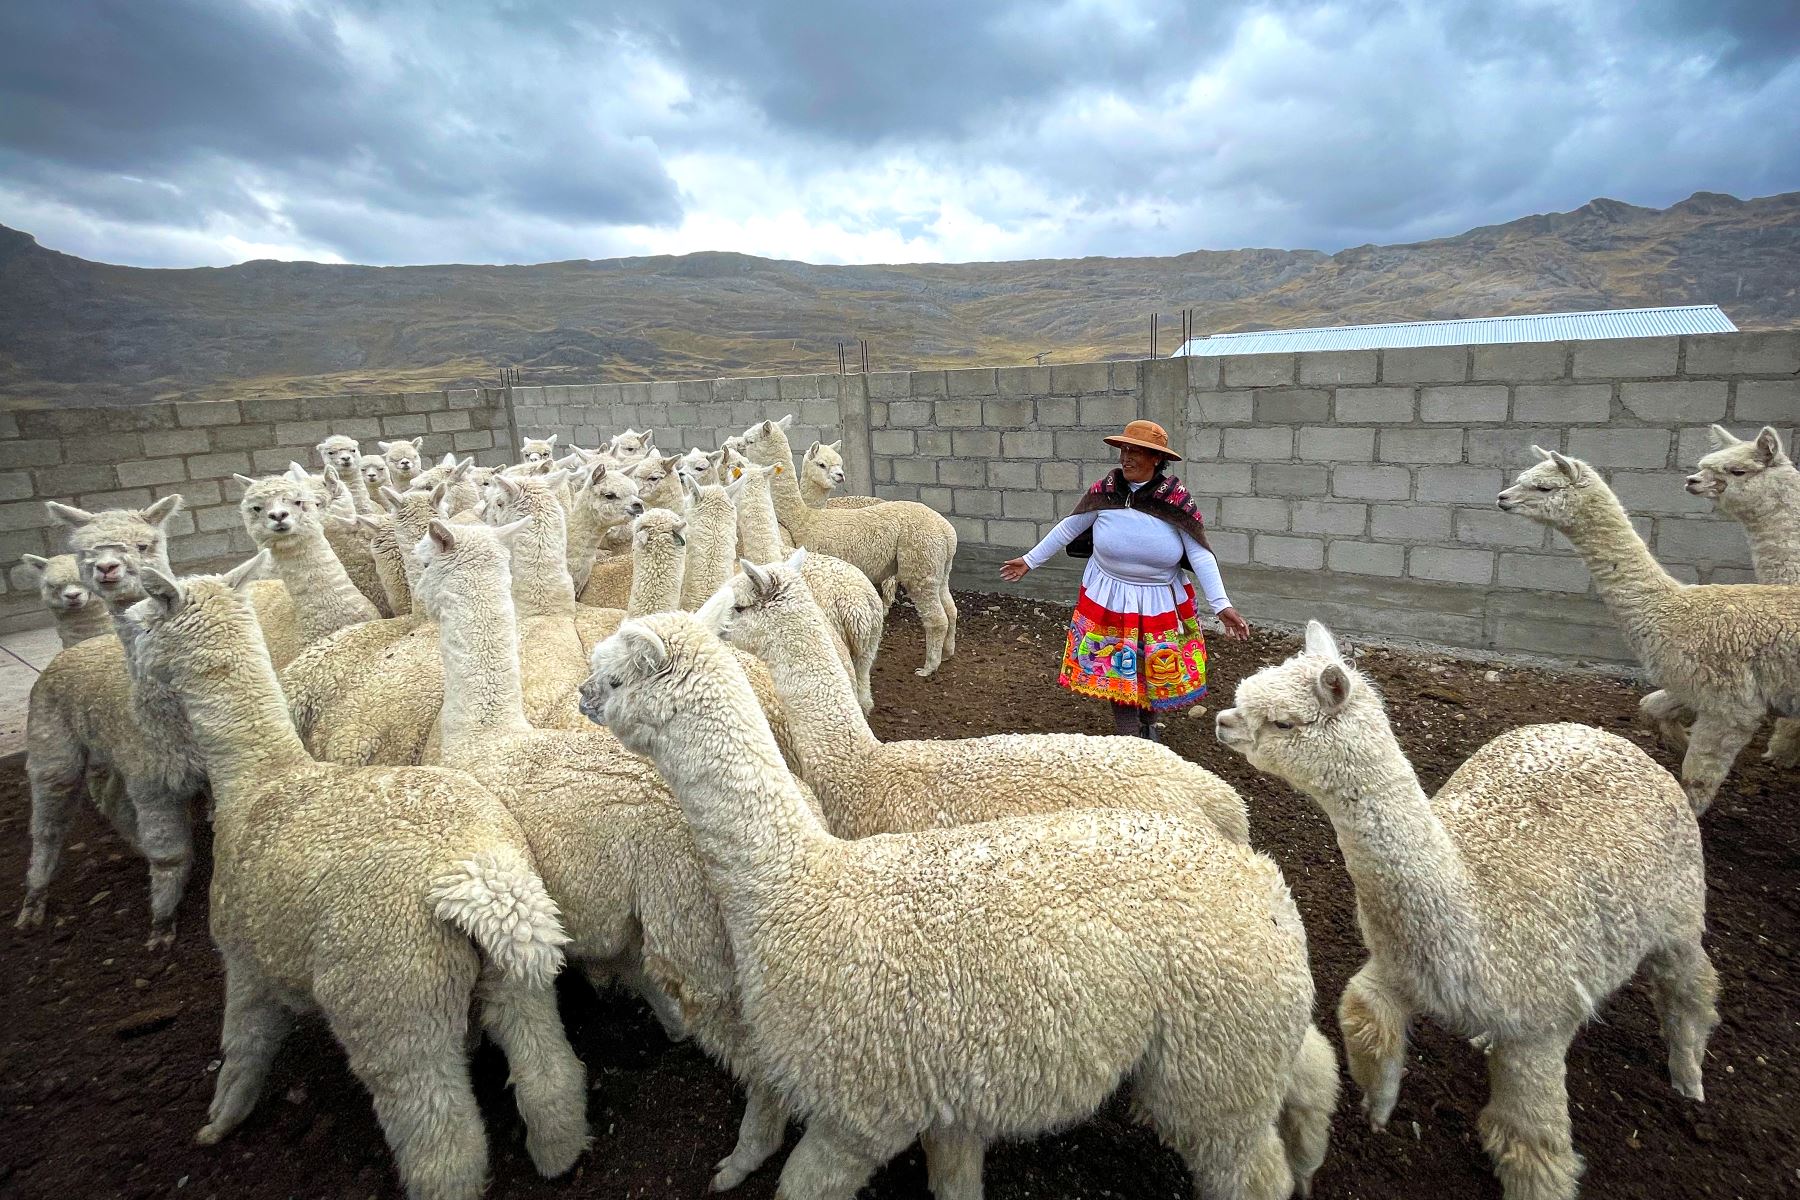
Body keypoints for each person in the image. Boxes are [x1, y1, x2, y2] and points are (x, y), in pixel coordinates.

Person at [1001, 419, 1249, 741]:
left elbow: (1200, 553)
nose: (1126, 458)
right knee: (1119, 664)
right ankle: (1128, 735)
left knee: (1152, 663)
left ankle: (1148, 722)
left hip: (1158, 598)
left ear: (1156, 458)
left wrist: (1221, 605)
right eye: (1124, 450)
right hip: (1110, 596)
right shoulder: (1106, 491)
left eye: (1136, 452)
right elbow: (1068, 527)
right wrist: (1029, 560)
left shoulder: (1174, 499)